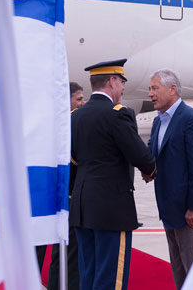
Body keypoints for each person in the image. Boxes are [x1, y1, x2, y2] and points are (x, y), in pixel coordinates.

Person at [70, 59, 156, 290]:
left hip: (82, 205)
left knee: (89, 274)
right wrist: (151, 170)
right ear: (112, 81)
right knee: (111, 278)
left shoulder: (75, 117)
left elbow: (74, 158)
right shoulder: (118, 114)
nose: (123, 89)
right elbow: (139, 155)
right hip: (111, 207)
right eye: (121, 83)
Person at [147, 69, 193, 289]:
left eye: (155, 88)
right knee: (178, 267)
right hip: (169, 209)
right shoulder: (158, 122)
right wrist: (147, 169)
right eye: (150, 89)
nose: (150, 94)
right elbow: (152, 155)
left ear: (172, 89)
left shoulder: (190, 119)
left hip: (189, 213)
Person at [46, 82, 86, 290]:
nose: (83, 103)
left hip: (62, 198)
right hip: (68, 199)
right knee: (68, 255)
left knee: (61, 255)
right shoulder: (66, 127)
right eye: (78, 99)